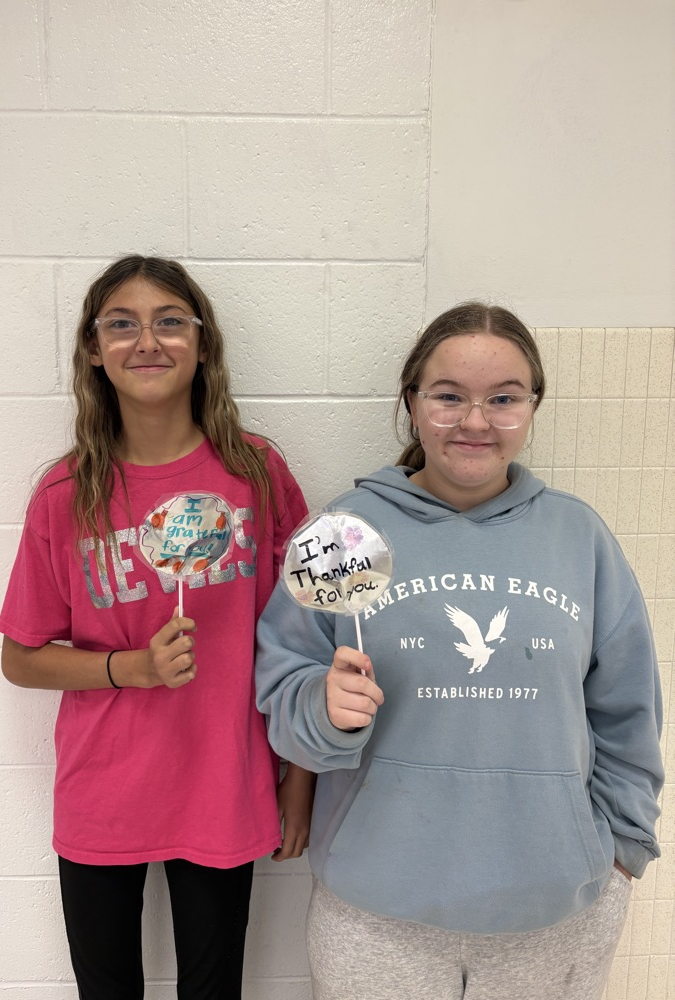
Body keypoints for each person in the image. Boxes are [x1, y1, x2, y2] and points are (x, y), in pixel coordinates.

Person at [255, 302, 663, 1000]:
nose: (475, 421)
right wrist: (321, 708)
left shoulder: (579, 537)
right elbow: (281, 695)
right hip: (376, 914)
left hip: (555, 910)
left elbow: (627, 706)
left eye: (503, 399)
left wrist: (623, 843)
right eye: (449, 397)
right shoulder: (342, 534)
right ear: (412, 402)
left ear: (533, 407)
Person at [0, 255, 314, 1000]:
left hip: (224, 783)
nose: (148, 341)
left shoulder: (257, 473)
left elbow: (307, 638)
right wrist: (128, 668)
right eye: (122, 324)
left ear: (203, 345)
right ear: (94, 350)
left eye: (170, 321)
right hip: (103, 792)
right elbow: (22, 657)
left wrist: (300, 782)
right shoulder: (65, 493)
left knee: (215, 990)